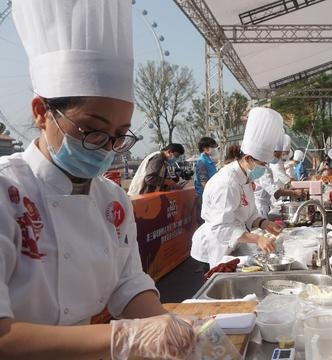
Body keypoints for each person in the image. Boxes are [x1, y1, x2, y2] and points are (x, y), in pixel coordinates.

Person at [0, 1, 196, 358]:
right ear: (41, 112)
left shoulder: (113, 199)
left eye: (120, 135)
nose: (106, 147)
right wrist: (123, 339)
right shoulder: (7, 193)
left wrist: (166, 328)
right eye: (92, 130)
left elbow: (128, 284)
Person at [191, 107, 284, 267]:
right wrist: (258, 238)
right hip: (214, 248)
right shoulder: (227, 183)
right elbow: (221, 228)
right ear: (248, 158)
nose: (265, 168)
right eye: (263, 164)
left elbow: (249, 213)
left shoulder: (245, 177)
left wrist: (264, 224)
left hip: (233, 244)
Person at [254, 132, 307, 218]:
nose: (279, 158)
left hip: (265, 204)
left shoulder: (265, 166)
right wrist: (294, 192)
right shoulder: (261, 169)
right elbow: (275, 191)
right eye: (278, 155)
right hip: (260, 207)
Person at [194, 137, 218, 203]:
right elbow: (203, 182)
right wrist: (210, 195)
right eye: (213, 147)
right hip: (205, 196)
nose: (214, 149)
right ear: (205, 148)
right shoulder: (202, 162)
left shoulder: (209, 161)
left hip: (211, 193)